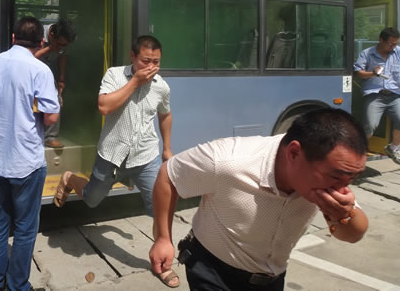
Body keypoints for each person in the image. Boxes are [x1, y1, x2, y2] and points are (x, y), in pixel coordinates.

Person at [149, 108, 369, 291]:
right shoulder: (228, 160)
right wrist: (162, 238)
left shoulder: (331, 180)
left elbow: (353, 234)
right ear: (294, 153)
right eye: (337, 177)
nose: (343, 188)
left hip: (271, 280)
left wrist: (343, 214)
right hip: (212, 271)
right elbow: (169, 175)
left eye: (352, 178)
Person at [54, 35, 179, 288]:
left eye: (156, 62)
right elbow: (104, 106)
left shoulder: (161, 86)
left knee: (161, 210)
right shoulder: (114, 75)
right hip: (112, 155)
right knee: (92, 199)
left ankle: (163, 264)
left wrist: (167, 149)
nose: (151, 66)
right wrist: (135, 81)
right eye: (145, 61)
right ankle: (70, 179)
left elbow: (165, 115)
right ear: (133, 57)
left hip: (145, 157)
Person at [0, 16, 60, 291]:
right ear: (41, 41)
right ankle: (18, 286)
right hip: (25, 161)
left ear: (13, 38)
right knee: (25, 228)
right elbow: (50, 117)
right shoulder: (40, 70)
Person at [354, 27, 400, 165]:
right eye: (391, 44)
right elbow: (358, 72)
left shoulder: (399, 52)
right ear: (381, 40)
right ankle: (357, 151)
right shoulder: (367, 53)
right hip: (374, 94)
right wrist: (373, 73)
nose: (393, 47)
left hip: (395, 94)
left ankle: (393, 148)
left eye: (396, 44)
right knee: (370, 125)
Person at [35, 19, 77, 148]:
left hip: (46, 72)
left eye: (64, 45)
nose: (61, 47)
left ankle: (50, 137)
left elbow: (63, 56)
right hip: (29, 72)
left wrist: (61, 79)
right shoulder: (37, 33)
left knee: (56, 99)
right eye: (59, 44)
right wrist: (50, 49)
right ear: (51, 35)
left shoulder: (63, 40)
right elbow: (29, 57)